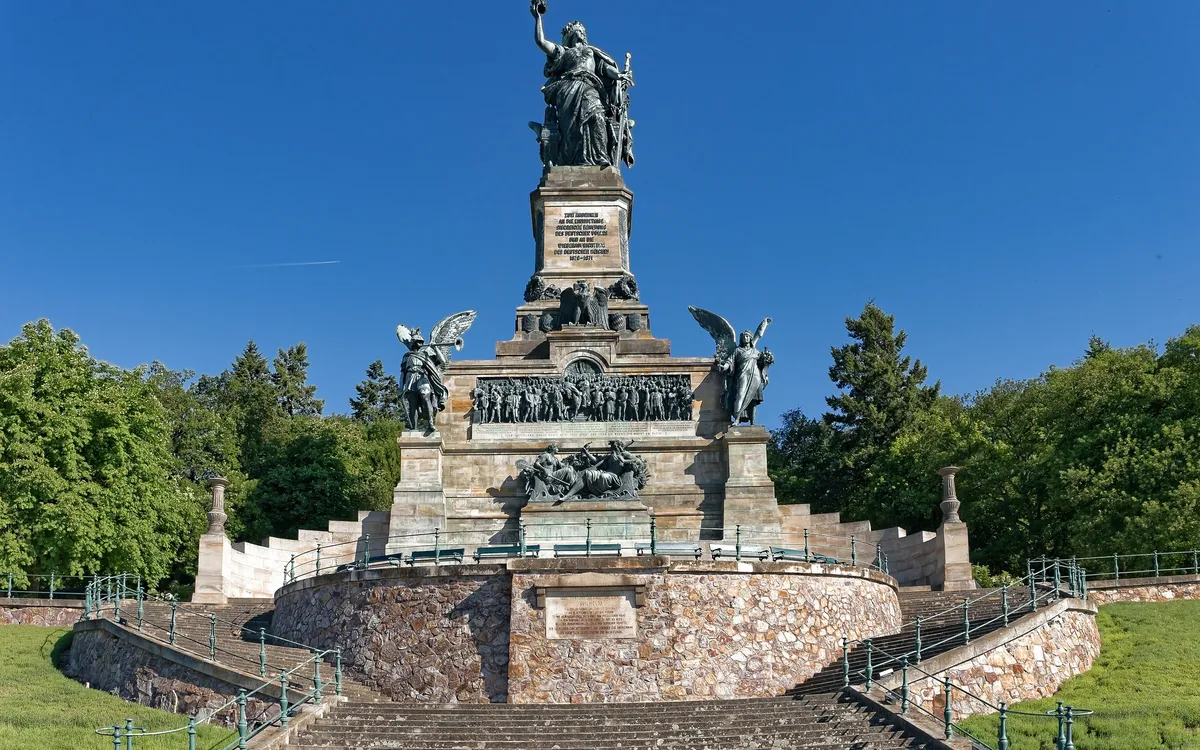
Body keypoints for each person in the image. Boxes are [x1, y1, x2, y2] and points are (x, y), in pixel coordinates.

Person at [531, 4, 633, 168]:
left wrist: (619, 75)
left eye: (583, 30)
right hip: (569, 88)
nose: (582, 32)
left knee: (597, 117)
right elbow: (541, 42)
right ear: (570, 34)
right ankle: (568, 159)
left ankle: (600, 157)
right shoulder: (563, 52)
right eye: (578, 29)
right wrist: (538, 19)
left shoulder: (592, 52)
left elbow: (606, 68)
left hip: (590, 86)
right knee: (570, 129)